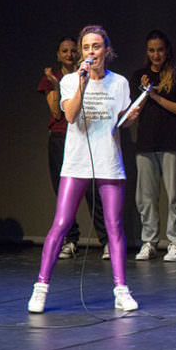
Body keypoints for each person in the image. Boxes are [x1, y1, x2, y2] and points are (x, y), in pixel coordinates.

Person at [28, 25, 141, 313]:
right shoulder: (69, 81)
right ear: (82, 52)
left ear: (107, 50)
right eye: (87, 47)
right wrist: (81, 82)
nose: (92, 51)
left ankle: (121, 290)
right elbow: (70, 114)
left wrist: (129, 118)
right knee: (62, 222)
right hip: (77, 161)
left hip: (108, 160)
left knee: (114, 226)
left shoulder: (120, 83)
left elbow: (120, 122)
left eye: (97, 46)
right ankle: (40, 288)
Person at [38, 37, 110, 260]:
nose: (69, 55)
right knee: (64, 193)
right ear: (58, 55)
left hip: (84, 137)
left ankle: (106, 240)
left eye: (72, 51)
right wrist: (55, 83)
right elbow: (58, 113)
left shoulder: (88, 73)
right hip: (60, 139)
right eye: (64, 51)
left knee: (92, 190)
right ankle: (71, 240)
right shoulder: (55, 79)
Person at [132, 30, 176, 262]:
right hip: (147, 142)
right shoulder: (140, 76)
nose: (156, 54)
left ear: (166, 50)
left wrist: (155, 96)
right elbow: (133, 111)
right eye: (151, 50)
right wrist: (143, 92)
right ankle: (149, 241)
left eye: (159, 49)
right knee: (146, 197)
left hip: (172, 142)